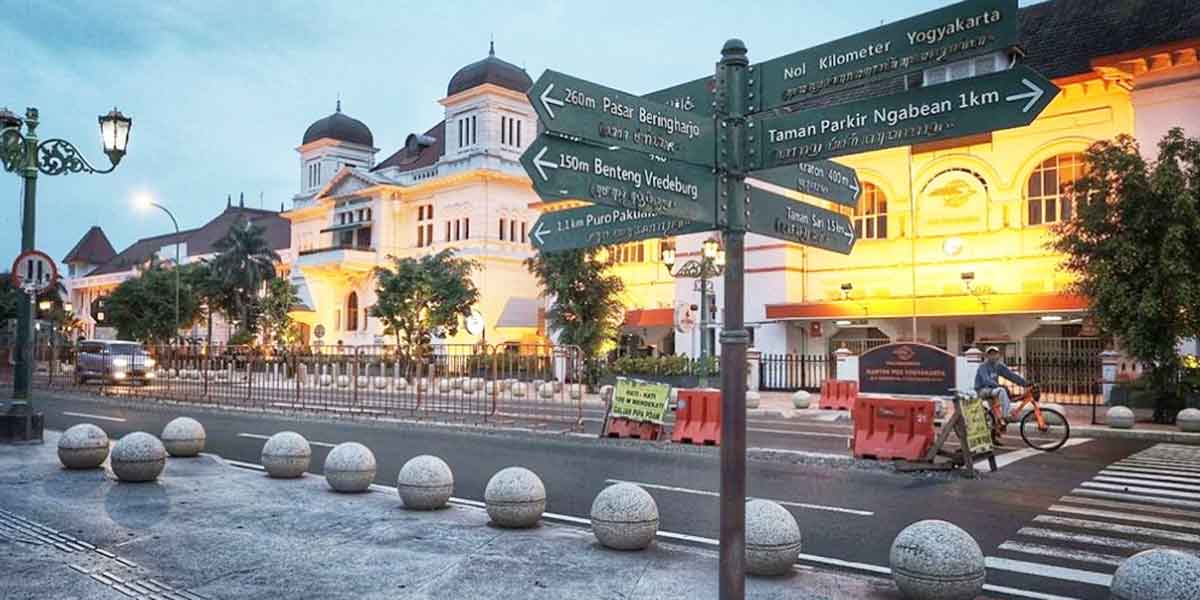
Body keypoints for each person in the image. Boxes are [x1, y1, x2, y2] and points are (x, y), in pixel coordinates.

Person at [974, 346, 1028, 442]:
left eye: (995, 354)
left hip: (993, 390)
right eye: (990, 354)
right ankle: (1006, 416)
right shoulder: (983, 366)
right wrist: (999, 386)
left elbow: (1011, 376)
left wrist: (1025, 383)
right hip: (983, 390)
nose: (993, 356)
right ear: (987, 356)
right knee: (1002, 391)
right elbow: (986, 380)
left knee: (996, 415)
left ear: (998, 355)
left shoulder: (999, 366)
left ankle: (994, 436)